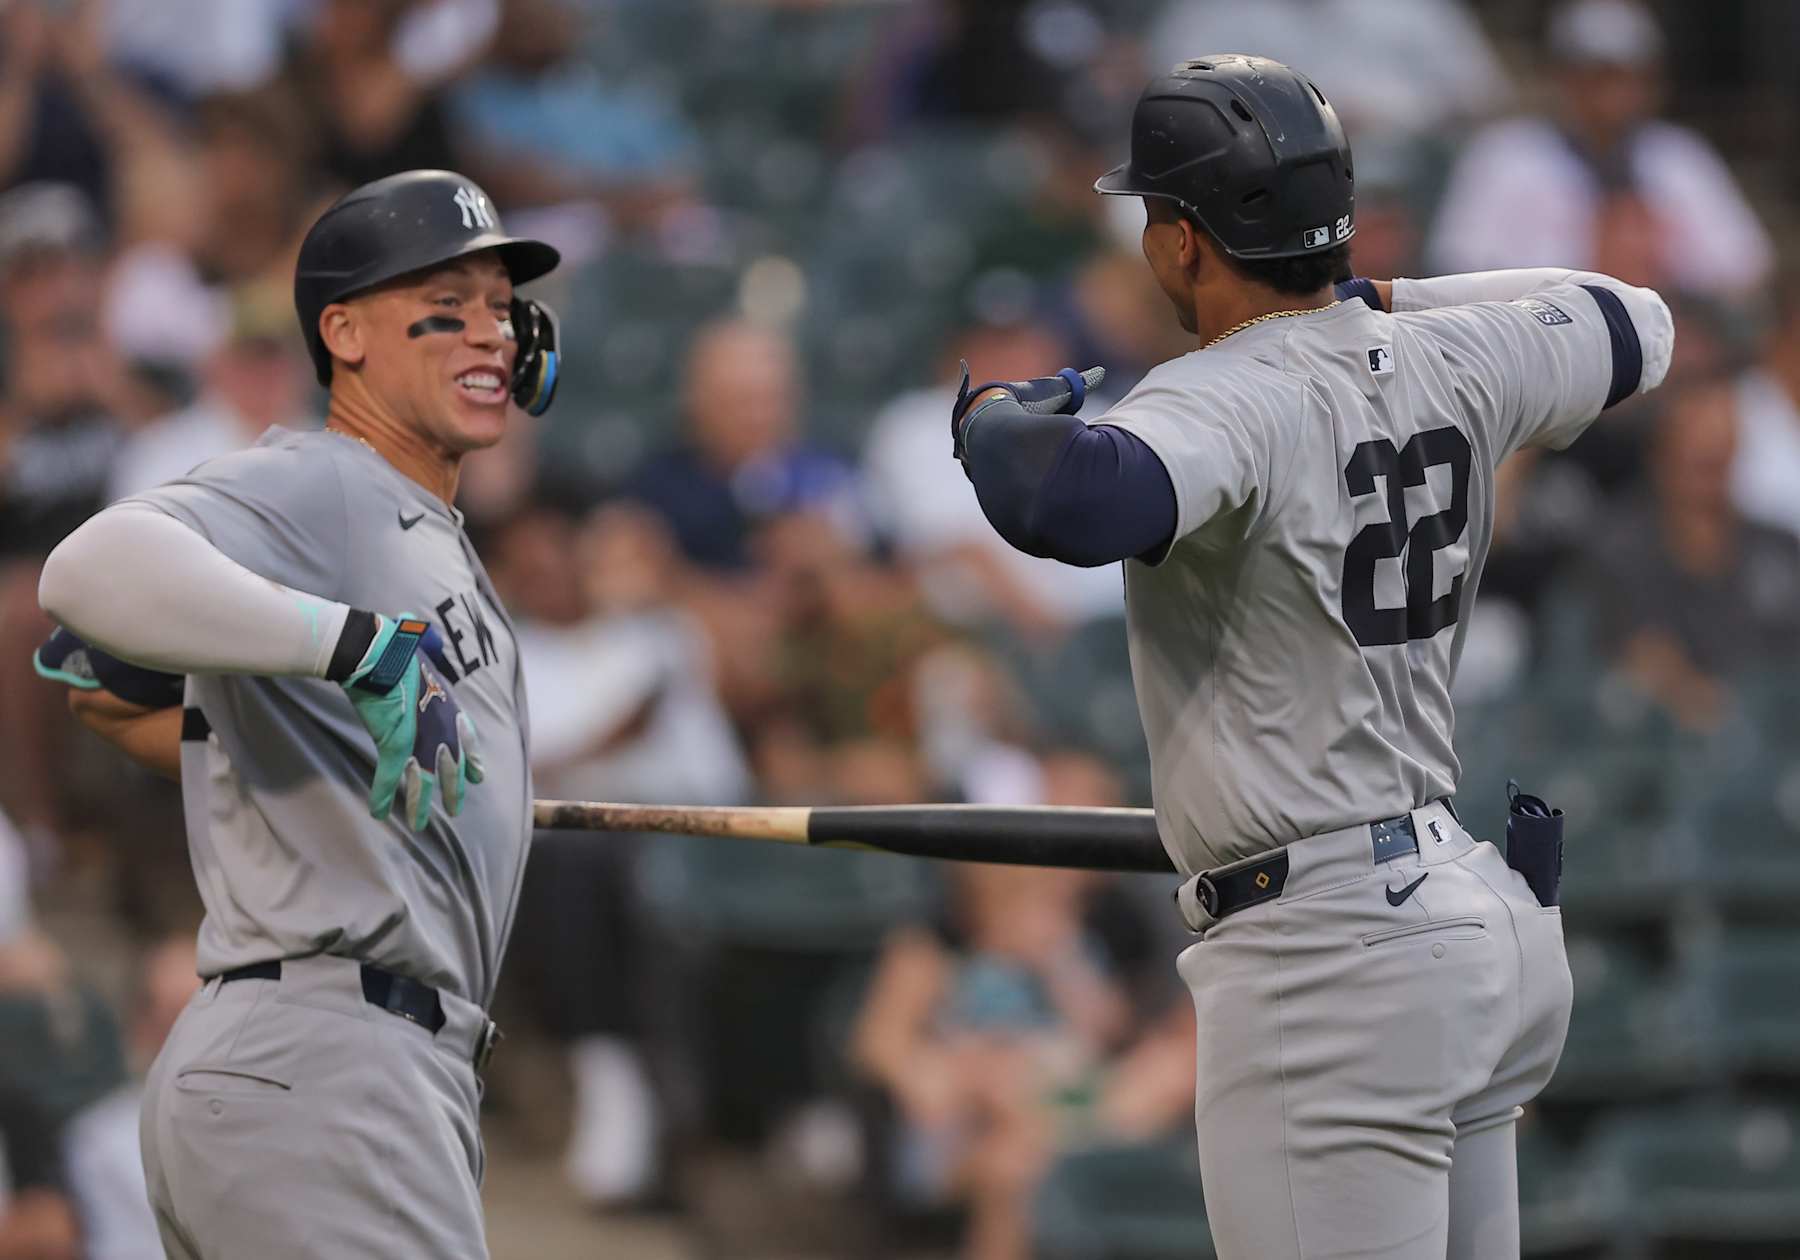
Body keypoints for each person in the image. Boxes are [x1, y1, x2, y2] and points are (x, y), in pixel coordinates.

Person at [950, 55, 1673, 1259]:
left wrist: (984, 419)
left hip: (1335, 963)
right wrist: (1381, 297)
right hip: (1469, 915)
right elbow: (1633, 318)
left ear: (1185, 243)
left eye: (1153, 215)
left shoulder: (1224, 394)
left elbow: (1066, 503)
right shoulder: (1463, 354)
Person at [33, 169, 561, 1259]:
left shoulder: (421, 528)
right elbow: (87, 572)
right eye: (448, 304)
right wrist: (354, 648)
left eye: (503, 310)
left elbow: (101, 689)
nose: (492, 334)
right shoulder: (334, 484)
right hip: (332, 1067)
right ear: (345, 332)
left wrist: (265, 719)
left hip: (317, 1076)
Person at [1427, 0, 1770, 304]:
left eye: (1625, 77)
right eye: (1596, 76)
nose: (1612, 94)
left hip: (1664, 335)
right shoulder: (1506, 153)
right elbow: (1458, 265)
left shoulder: (1678, 155)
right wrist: (1582, 268)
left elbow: (1745, 266)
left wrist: (1659, 260)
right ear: (1563, 77)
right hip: (1541, 337)